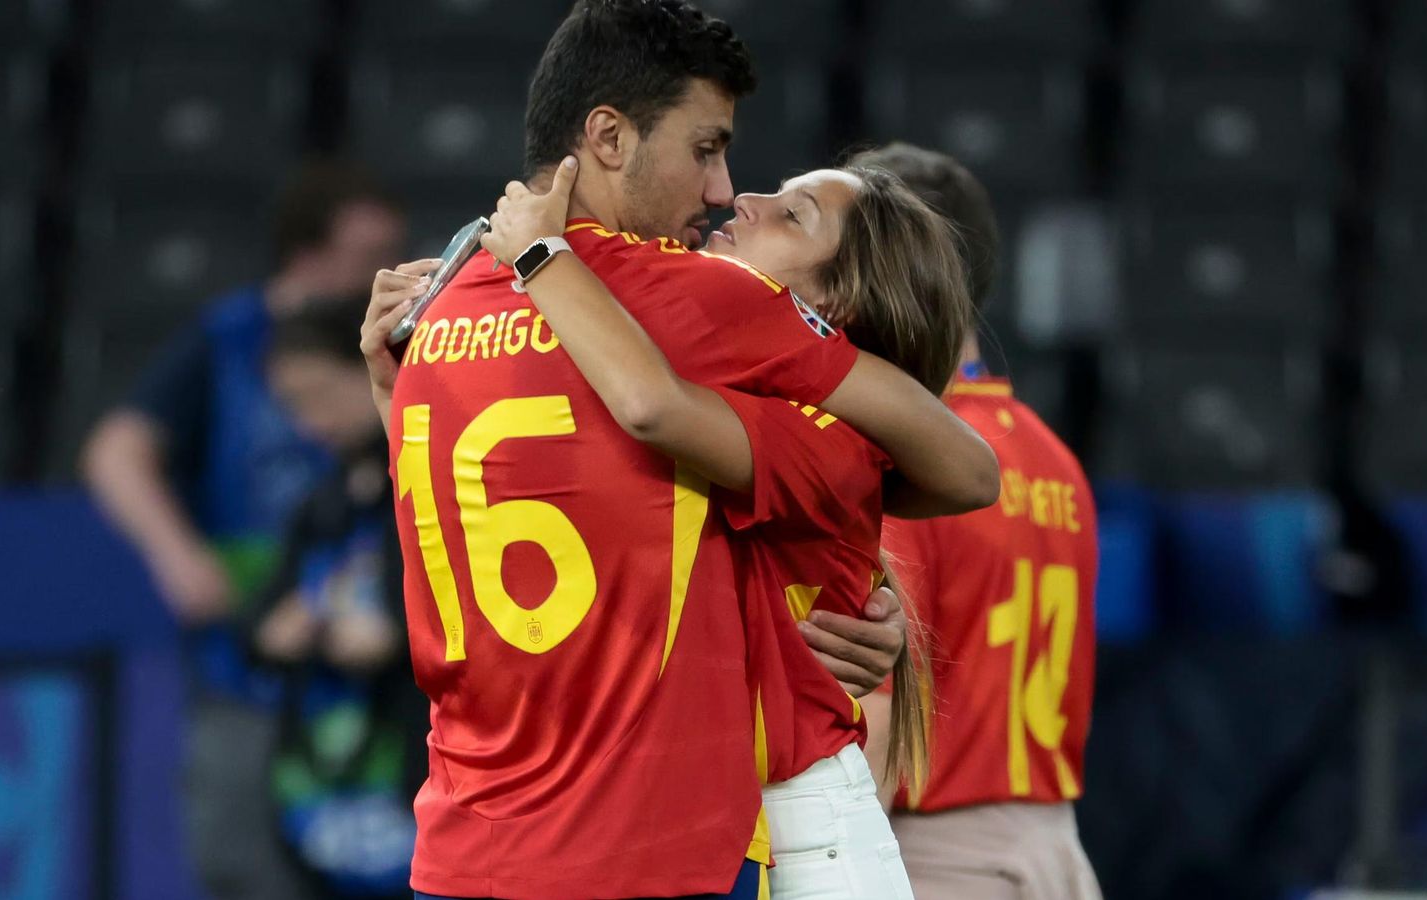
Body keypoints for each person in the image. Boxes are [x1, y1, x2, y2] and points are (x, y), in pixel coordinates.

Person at [355, 3, 996, 897]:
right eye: (706, 148)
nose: (727, 191)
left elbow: (461, 534)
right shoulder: (694, 301)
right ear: (609, 137)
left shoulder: (447, 301)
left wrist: (394, 387)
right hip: (649, 847)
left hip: (466, 848)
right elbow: (960, 469)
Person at [477, 154, 980, 900]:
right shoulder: (699, 380)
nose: (745, 198)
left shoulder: (816, 427)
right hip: (700, 818)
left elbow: (656, 408)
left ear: (834, 304)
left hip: (802, 831)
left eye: (793, 213)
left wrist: (540, 257)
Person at [82, 160, 405, 900]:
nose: (379, 275)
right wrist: (179, 557)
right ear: (306, 253)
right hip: (249, 655)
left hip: (376, 682)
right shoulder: (226, 340)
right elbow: (116, 451)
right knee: (242, 858)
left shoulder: (396, 340)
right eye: (363, 258)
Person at [860, 142, 1103, 900]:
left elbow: (884, 699)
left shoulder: (914, 457)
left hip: (943, 859)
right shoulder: (1054, 458)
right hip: (1057, 851)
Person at [252, 299, 426, 899]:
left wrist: (398, 640)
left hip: (418, 773)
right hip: (326, 792)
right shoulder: (322, 504)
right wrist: (275, 632)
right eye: (291, 406)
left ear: (369, 365)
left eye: (316, 395)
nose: (307, 423)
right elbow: (264, 627)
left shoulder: (431, 476)